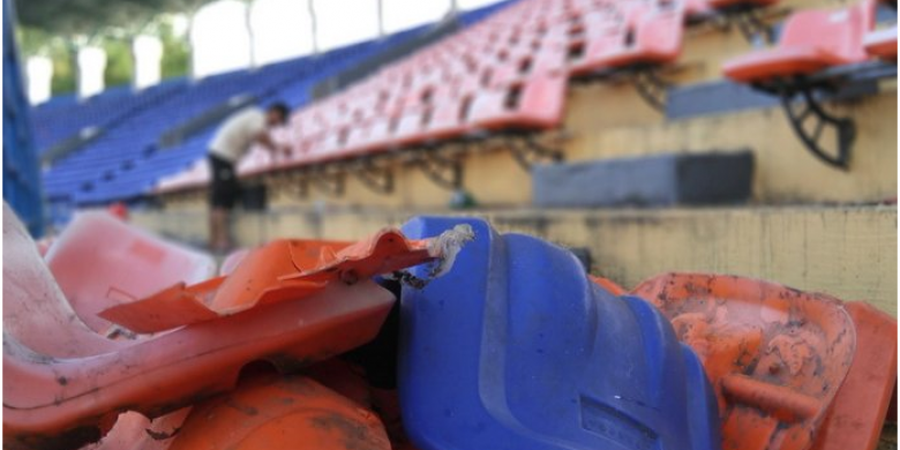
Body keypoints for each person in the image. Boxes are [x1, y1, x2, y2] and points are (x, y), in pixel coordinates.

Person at [207, 102, 290, 252]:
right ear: (274, 112)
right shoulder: (257, 117)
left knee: (218, 202)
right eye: (279, 119)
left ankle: (215, 241)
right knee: (222, 202)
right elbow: (260, 135)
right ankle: (221, 241)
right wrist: (278, 149)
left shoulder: (254, 118)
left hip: (222, 158)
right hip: (223, 157)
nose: (277, 125)